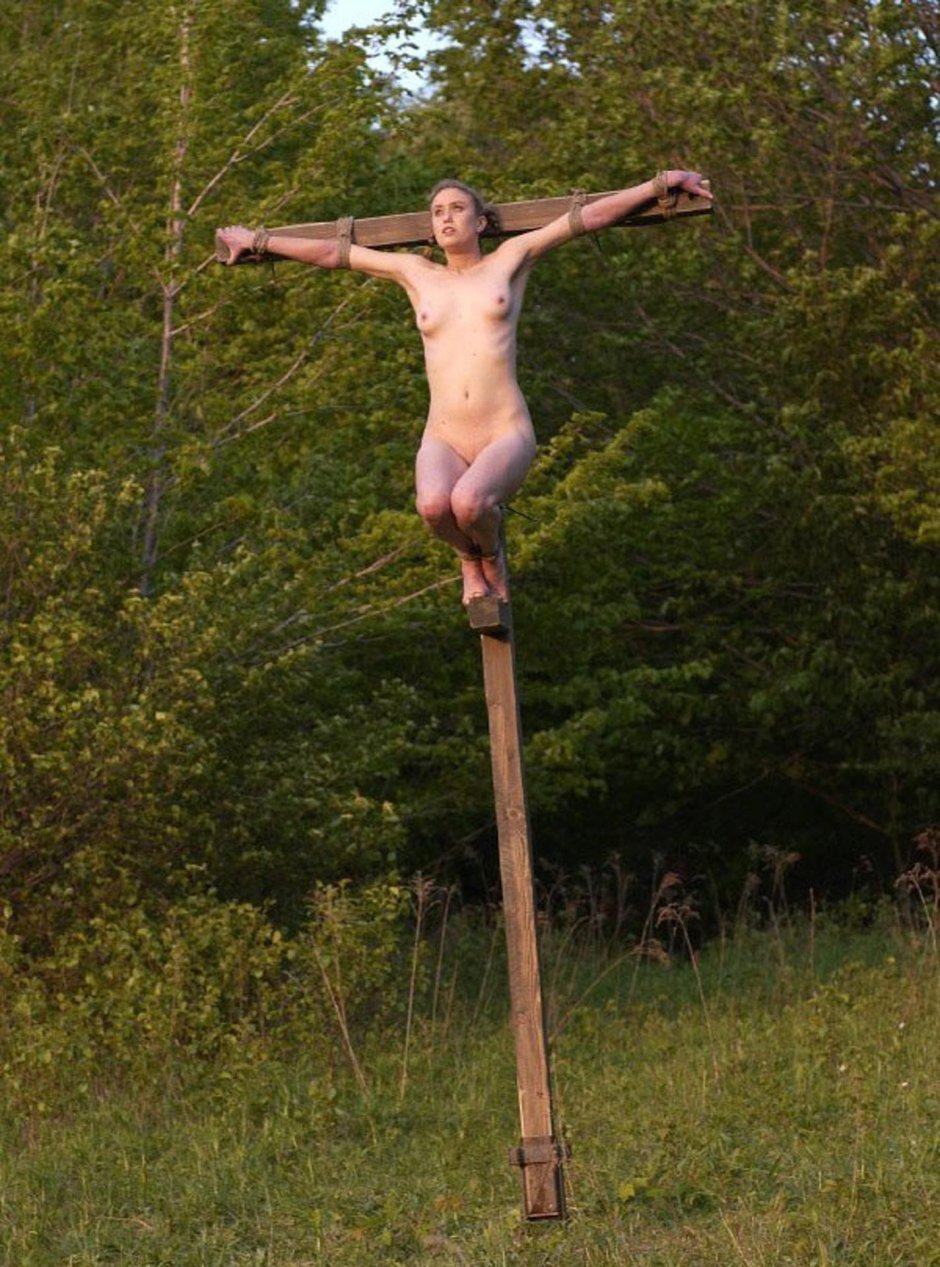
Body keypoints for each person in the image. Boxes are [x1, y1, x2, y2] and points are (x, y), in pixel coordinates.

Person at [217, 170, 712, 605]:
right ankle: (468, 559)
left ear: (480, 222)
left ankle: (490, 557)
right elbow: (332, 251)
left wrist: (658, 185)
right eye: (438, 212)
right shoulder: (415, 273)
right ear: (431, 230)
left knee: (471, 503)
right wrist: (258, 240)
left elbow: (585, 218)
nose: (447, 217)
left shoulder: (510, 259)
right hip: (445, 435)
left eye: (457, 208)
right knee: (434, 507)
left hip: (503, 430)